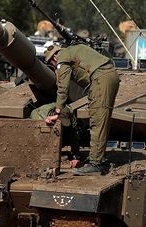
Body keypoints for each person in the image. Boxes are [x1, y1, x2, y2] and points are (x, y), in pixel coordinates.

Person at [43, 44, 120, 175]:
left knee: (97, 122)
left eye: (51, 63)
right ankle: (97, 157)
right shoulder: (73, 50)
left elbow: (63, 88)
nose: (54, 65)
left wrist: (57, 111)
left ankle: (96, 164)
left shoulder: (62, 58)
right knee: (101, 120)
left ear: (54, 58)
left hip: (100, 79)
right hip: (108, 75)